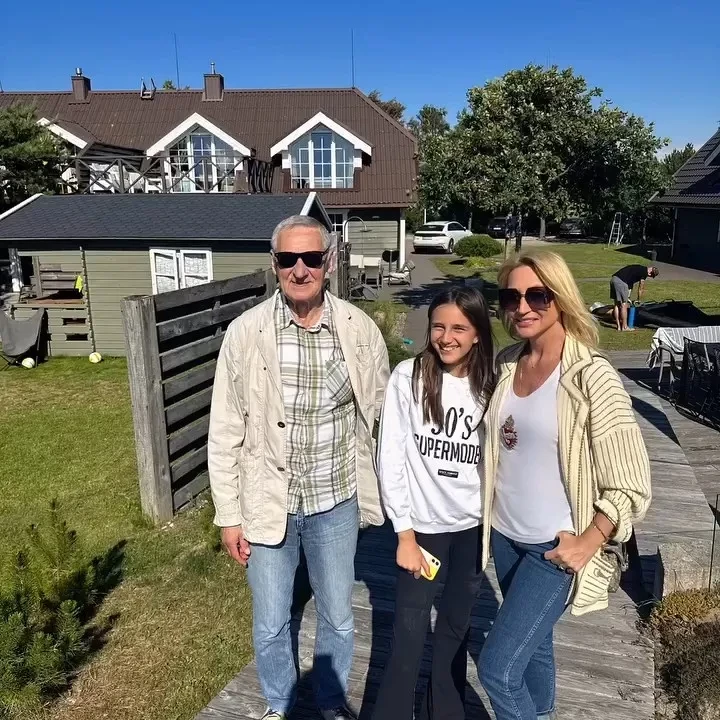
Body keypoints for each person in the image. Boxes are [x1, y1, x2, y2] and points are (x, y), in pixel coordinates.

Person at [207, 214, 390, 720]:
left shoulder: (359, 330)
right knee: (270, 621)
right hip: (269, 502)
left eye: (311, 258)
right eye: (289, 259)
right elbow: (225, 430)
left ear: (329, 262)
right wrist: (229, 516)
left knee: (337, 616)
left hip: (335, 500)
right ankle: (279, 705)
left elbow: (382, 417)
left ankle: (331, 704)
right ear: (275, 264)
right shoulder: (246, 333)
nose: (300, 269)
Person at [477, 250, 652, 720]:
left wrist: (589, 542)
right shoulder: (507, 364)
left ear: (561, 298)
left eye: (537, 295)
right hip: (506, 538)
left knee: (497, 670)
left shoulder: (592, 376)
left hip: (553, 548)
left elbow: (631, 484)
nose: (523, 307)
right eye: (511, 297)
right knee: (534, 650)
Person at [373, 286, 495, 720]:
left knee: (455, 631)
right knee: (408, 634)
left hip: (472, 530)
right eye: (439, 326)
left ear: (477, 333)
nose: (446, 337)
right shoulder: (409, 376)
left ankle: (444, 711)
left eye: (459, 328)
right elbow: (390, 457)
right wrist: (403, 534)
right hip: (422, 532)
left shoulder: (493, 384)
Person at [610, 264, 659, 331]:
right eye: (651, 276)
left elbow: (630, 283)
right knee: (624, 305)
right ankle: (624, 327)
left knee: (616, 304)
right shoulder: (644, 273)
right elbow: (641, 288)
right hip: (621, 282)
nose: (649, 276)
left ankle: (618, 326)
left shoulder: (638, 268)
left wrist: (628, 296)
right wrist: (638, 299)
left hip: (614, 279)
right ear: (650, 273)